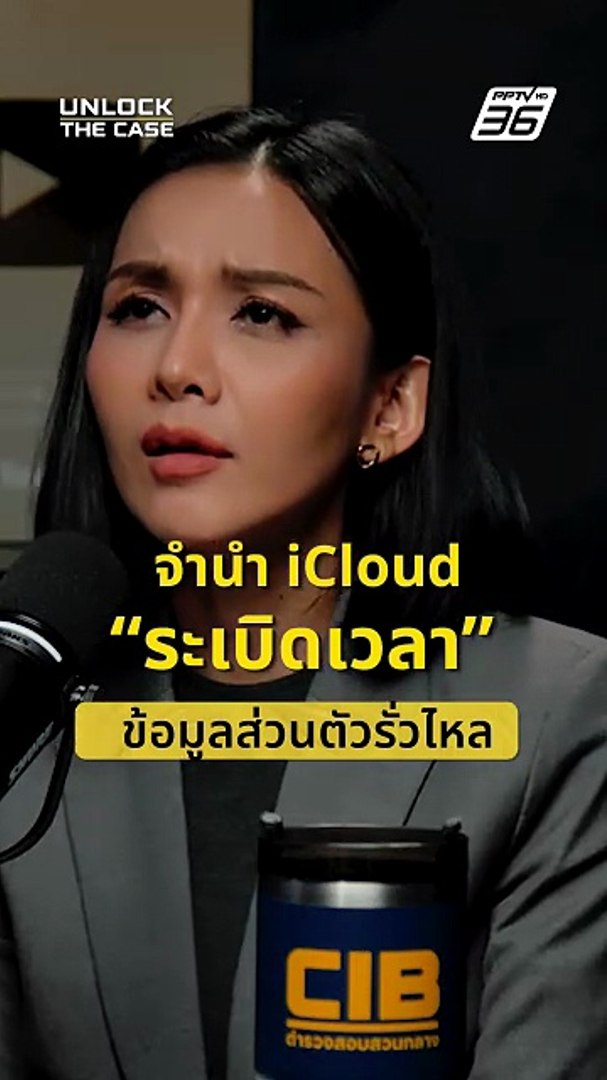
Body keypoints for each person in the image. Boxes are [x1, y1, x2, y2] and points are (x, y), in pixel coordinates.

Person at [0, 104, 605, 1080]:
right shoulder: (20, 698)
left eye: (262, 315)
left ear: (389, 405)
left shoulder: (559, 714)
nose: (177, 369)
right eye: (139, 308)